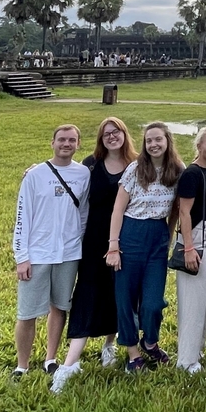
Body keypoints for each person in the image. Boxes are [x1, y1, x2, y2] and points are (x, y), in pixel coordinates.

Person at [51, 118, 138, 392]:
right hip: (93, 242)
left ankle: (109, 344)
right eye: (106, 133)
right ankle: (70, 363)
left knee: (118, 294)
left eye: (117, 132)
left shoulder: (137, 164)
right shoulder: (91, 164)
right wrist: (35, 170)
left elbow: (167, 172)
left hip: (126, 241)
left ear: (125, 134)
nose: (112, 137)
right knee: (87, 295)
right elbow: (65, 173)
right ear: (101, 138)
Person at [105, 122, 184, 372]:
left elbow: (176, 209)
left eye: (158, 139)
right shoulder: (135, 169)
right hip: (131, 235)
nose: (154, 144)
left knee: (152, 301)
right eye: (149, 140)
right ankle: (132, 352)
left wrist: (168, 236)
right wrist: (114, 246)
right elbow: (118, 209)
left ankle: (150, 342)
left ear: (167, 140)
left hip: (158, 236)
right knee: (125, 298)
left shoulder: (177, 170)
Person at [13, 125, 90, 378]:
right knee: (27, 312)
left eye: (71, 140)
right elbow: (22, 217)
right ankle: (22, 365)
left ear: (78, 144)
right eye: (61, 140)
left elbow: (83, 213)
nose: (66, 144)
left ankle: (50, 358)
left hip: (68, 253)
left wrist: (76, 241)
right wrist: (21, 257)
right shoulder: (35, 175)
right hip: (37, 254)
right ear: (52, 143)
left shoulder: (83, 174)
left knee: (60, 307)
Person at [175, 126, 206, 373]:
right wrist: (188, 248)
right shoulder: (192, 174)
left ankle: (196, 351)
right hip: (196, 237)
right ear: (199, 145)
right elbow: (183, 212)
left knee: (203, 300)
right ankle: (186, 360)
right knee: (192, 301)